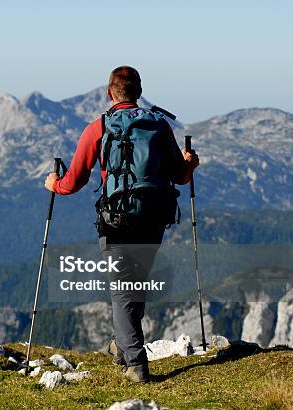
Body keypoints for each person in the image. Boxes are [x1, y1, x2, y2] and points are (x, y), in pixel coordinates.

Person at [44, 66, 199, 383]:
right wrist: (190, 163)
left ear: (109, 93)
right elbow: (180, 176)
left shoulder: (98, 128)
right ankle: (122, 346)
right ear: (139, 92)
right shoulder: (158, 126)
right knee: (134, 284)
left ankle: (136, 364)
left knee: (123, 289)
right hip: (154, 217)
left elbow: (75, 181)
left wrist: (54, 185)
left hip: (117, 220)